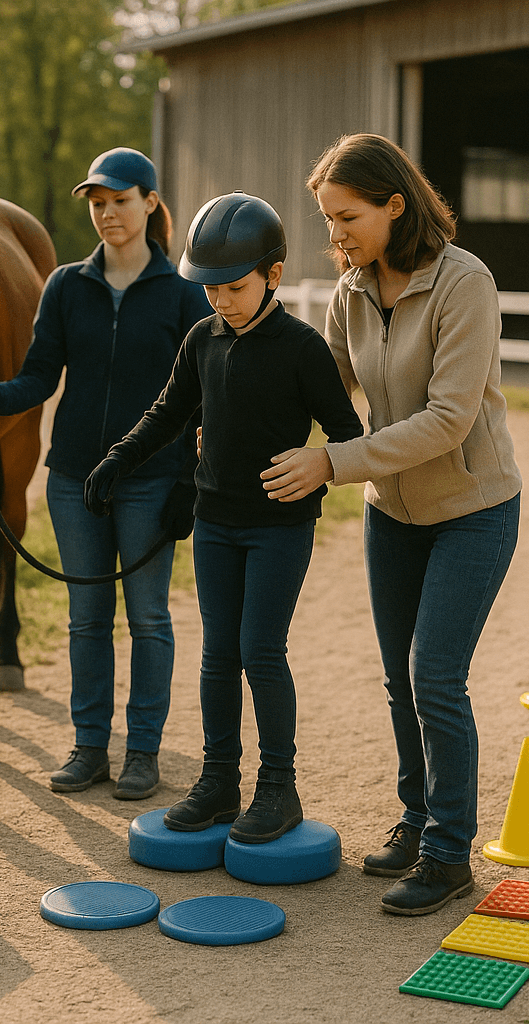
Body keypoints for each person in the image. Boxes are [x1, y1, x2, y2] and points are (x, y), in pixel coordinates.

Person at [260, 133, 522, 913]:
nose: (334, 235)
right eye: (327, 220)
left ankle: (449, 852)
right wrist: (247, 423)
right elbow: (328, 389)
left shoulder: (463, 284)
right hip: (392, 514)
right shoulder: (349, 292)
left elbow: (448, 419)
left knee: (434, 677)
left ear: (394, 205)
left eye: (347, 217)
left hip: (472, 510)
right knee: (399, 682)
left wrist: (333, 465)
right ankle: (417, 818)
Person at [84, 192, 364, 843]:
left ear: (273, 275)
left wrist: (316, 462)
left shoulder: (302, 349)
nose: (220, 301)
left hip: (279, 530)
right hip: (214, 525)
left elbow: (347, 432)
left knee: (261, 652)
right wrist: (118, 461)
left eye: (234, 287)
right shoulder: (202, 340)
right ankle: (217, 783)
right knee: (217, 654)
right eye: (209, 288)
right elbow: (167, 411)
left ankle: (278, 787)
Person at [0, 147, 212, 800]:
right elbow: (39, 379)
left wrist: (188, 483)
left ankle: (141, 752)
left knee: (148, 618)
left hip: (151, 482)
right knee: (86, 619)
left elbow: (203, 398)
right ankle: (90, 747)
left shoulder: (183, 297)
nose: (107, 214)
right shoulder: (65, 286)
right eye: (97, 203)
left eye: (120, 200)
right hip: (73, 482)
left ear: (150, 203)